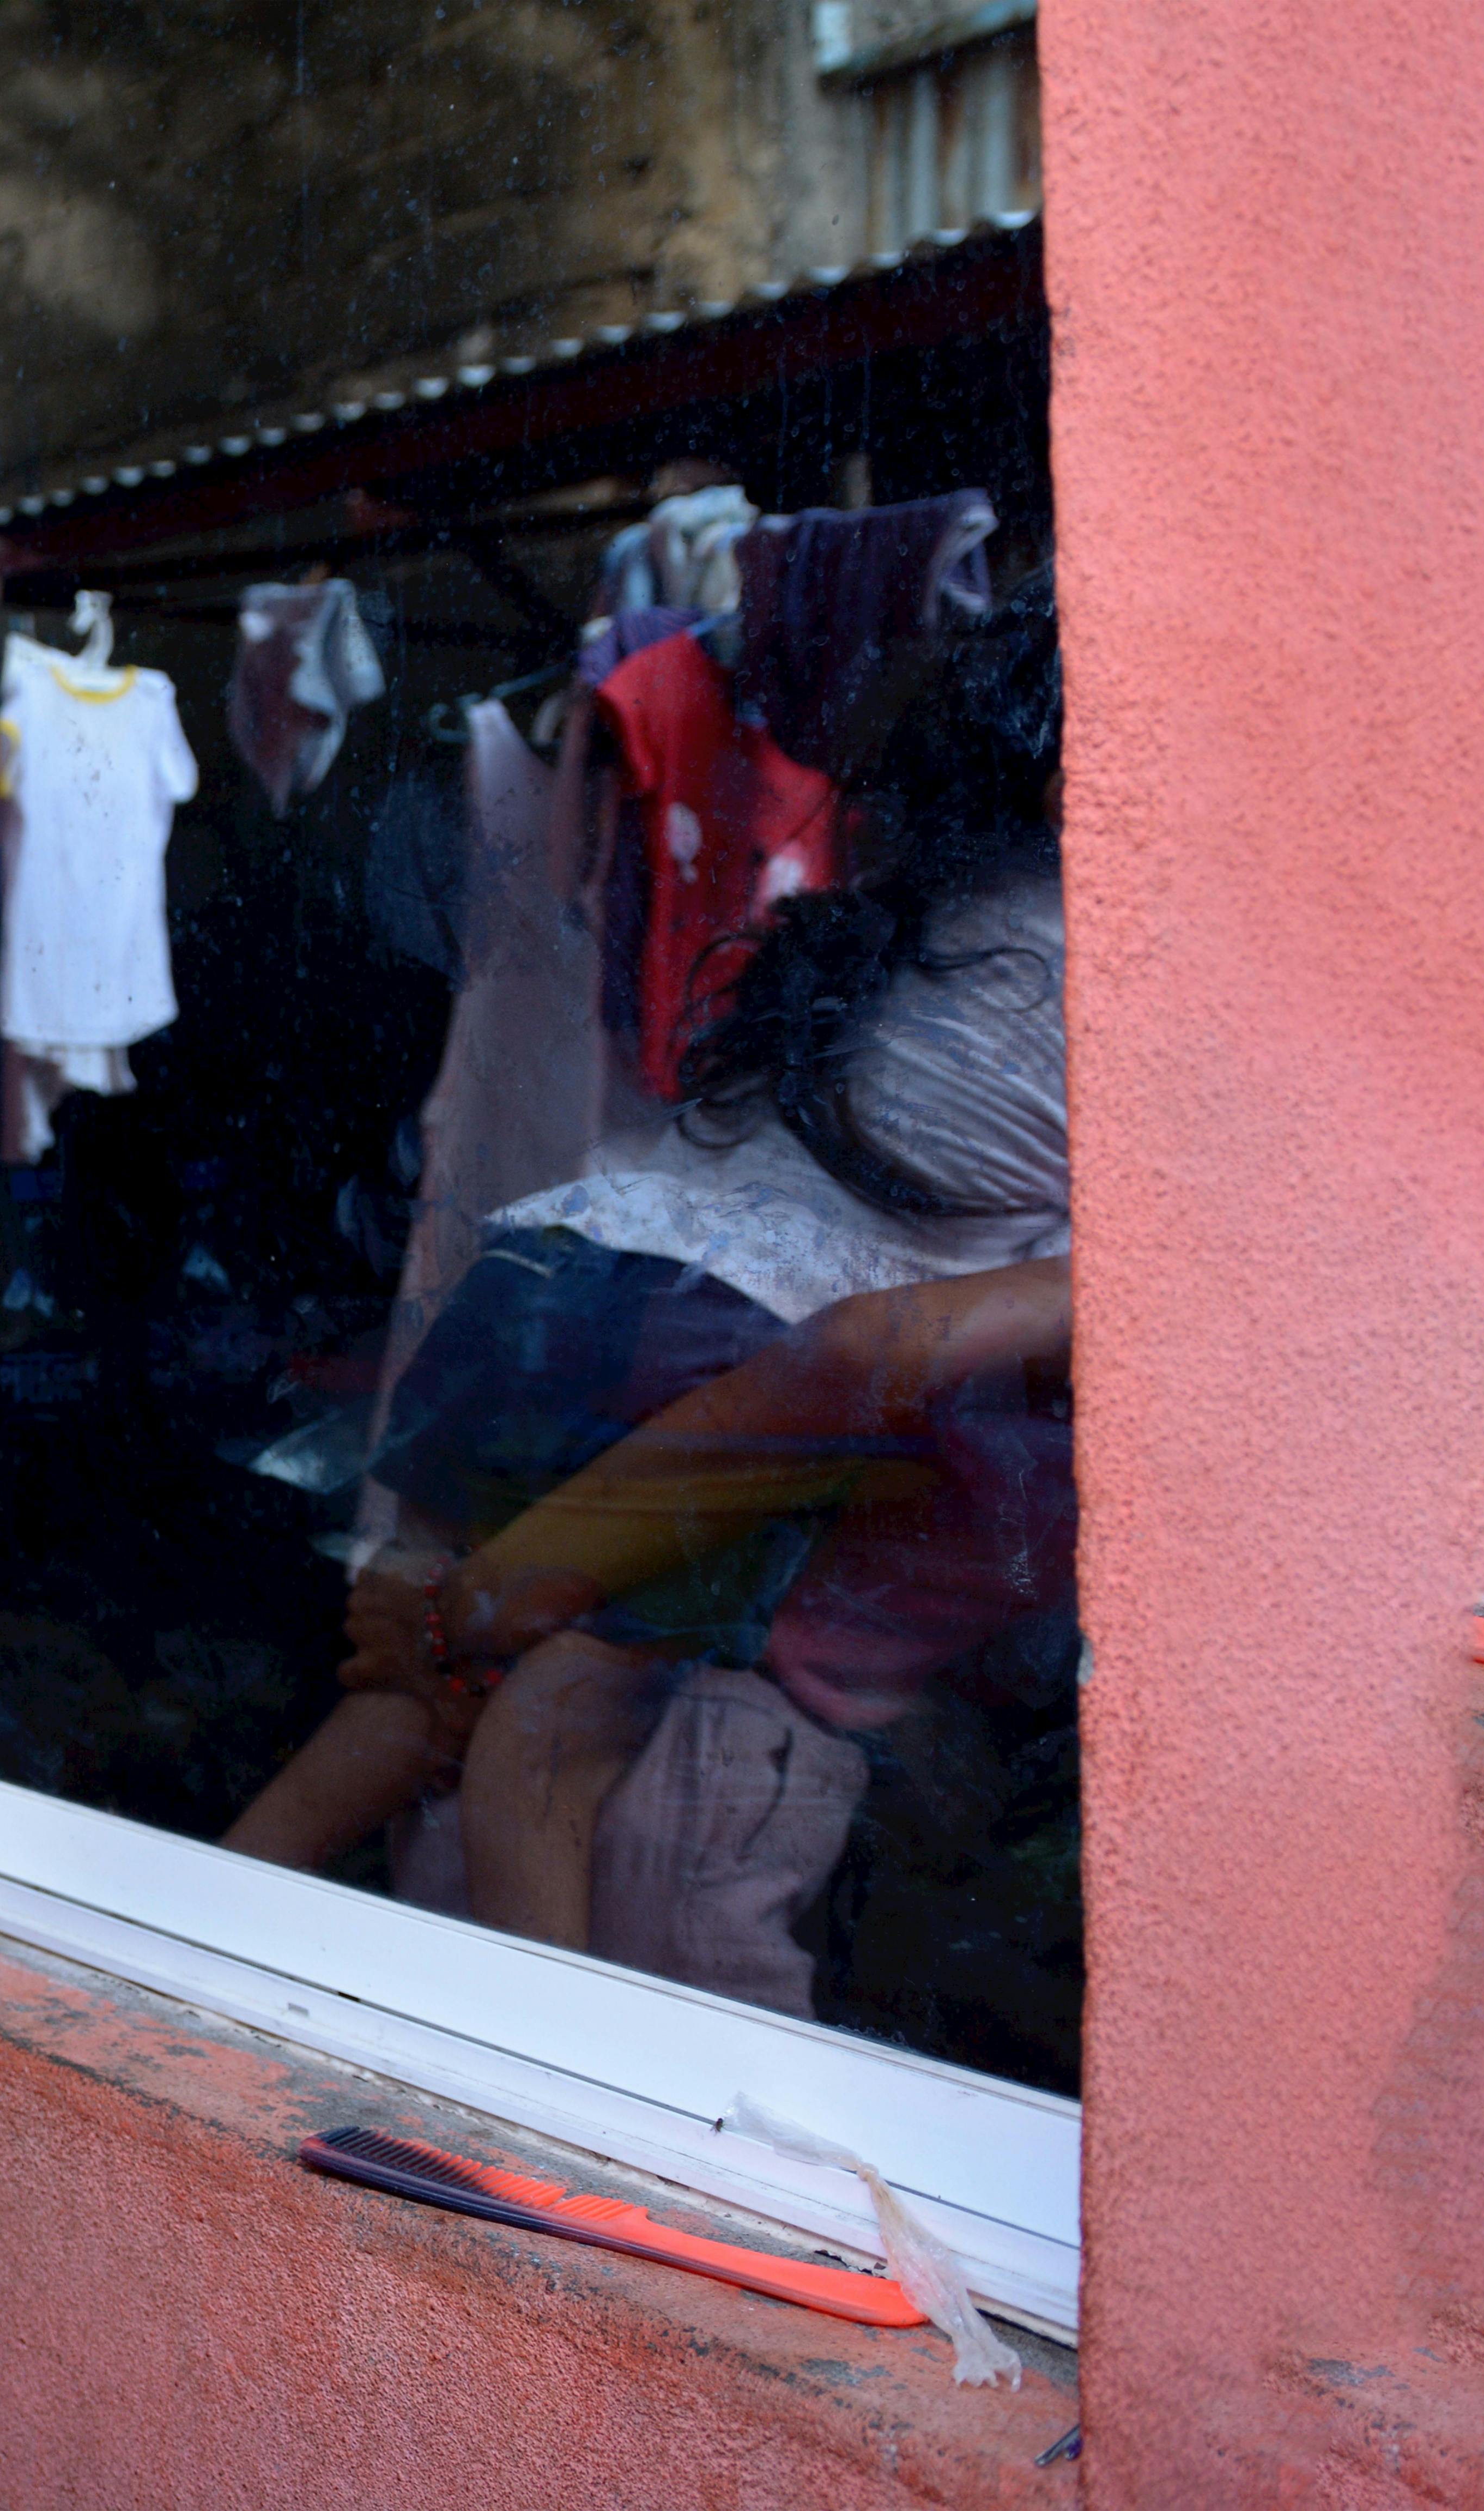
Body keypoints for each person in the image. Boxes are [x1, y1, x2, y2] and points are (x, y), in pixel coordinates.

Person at [225, 574, 1069, 1981]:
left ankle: (203, 1924)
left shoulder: (930, 917)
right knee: (553, 1727)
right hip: (723, 1341)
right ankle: (562, 2056)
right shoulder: (1115, 969)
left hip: (558, 1267)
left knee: (405, 1671)